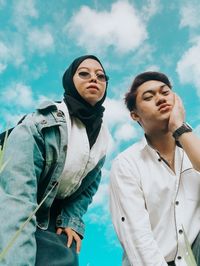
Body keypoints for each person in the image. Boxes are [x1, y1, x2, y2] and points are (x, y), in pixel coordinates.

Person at [0, 55, 110, 266]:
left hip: (53, 219)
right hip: (17, 205)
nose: (94, 79)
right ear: (69, 80)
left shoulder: (103, 139)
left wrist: (71, 219)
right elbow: (17, 197)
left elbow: (89, 185)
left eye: (101, 76)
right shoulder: (40, 123)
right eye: (84, 73)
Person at [109, 71, 200, 266]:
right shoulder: (127, 163)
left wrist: (180, 128)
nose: (160, 99)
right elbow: (137, 237)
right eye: (149, 97)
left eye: (165, 92)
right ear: (135, 115)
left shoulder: (194, 150)